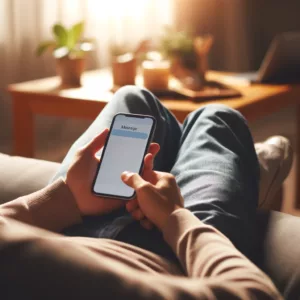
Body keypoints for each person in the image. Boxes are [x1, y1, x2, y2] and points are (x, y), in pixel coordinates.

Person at [0, 86, 290, 299]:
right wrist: (175, 216)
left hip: (69, 227)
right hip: (173, 260)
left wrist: (66, 198)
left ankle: (234, 168)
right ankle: (243, 170)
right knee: (217, 118)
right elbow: (255, 293)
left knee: (133, 98)